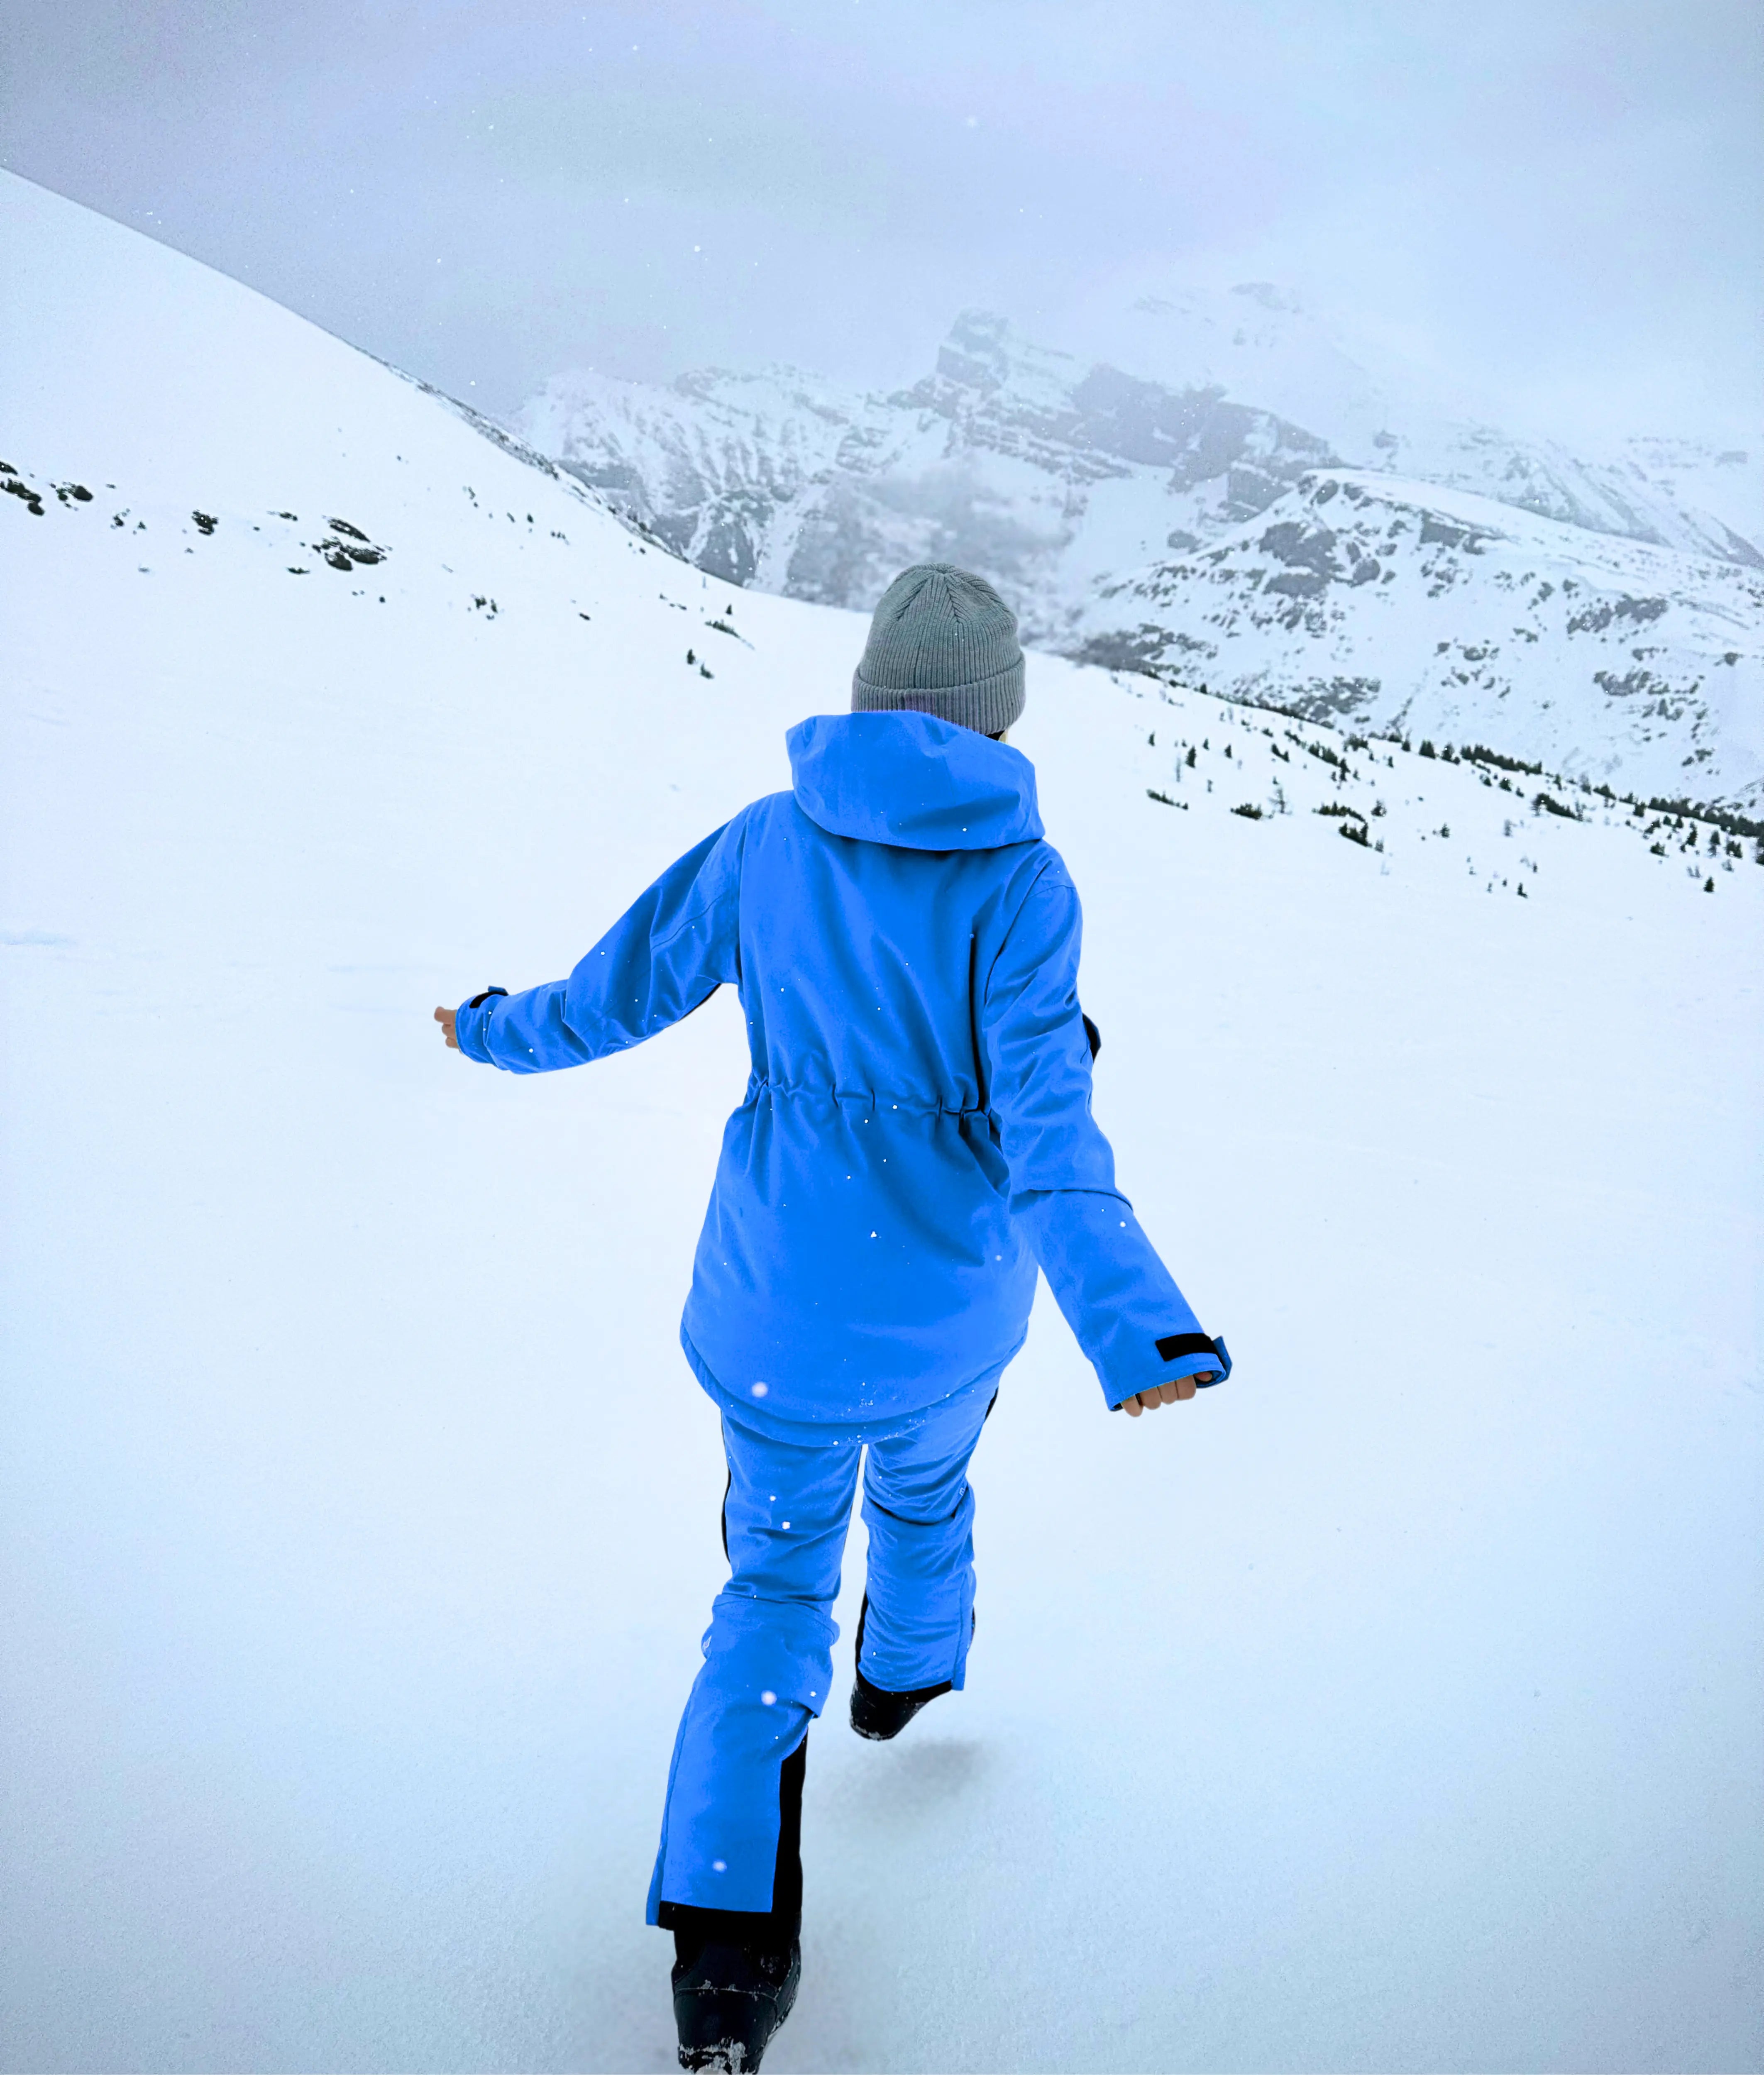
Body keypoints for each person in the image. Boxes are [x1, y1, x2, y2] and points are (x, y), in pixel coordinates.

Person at [434, 563, 1229, 2071]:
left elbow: (607, 1003)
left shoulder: (765, 844)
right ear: (998, 720)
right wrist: (1138, 1332)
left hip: (777, 1306)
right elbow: (1051, 1133)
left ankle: (726, 1965)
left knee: (770, 1588)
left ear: (868, 698)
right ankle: (903, 1685)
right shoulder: (1022, 885)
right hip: (942, 1310)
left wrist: (484, 1030)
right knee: (926, 1494)